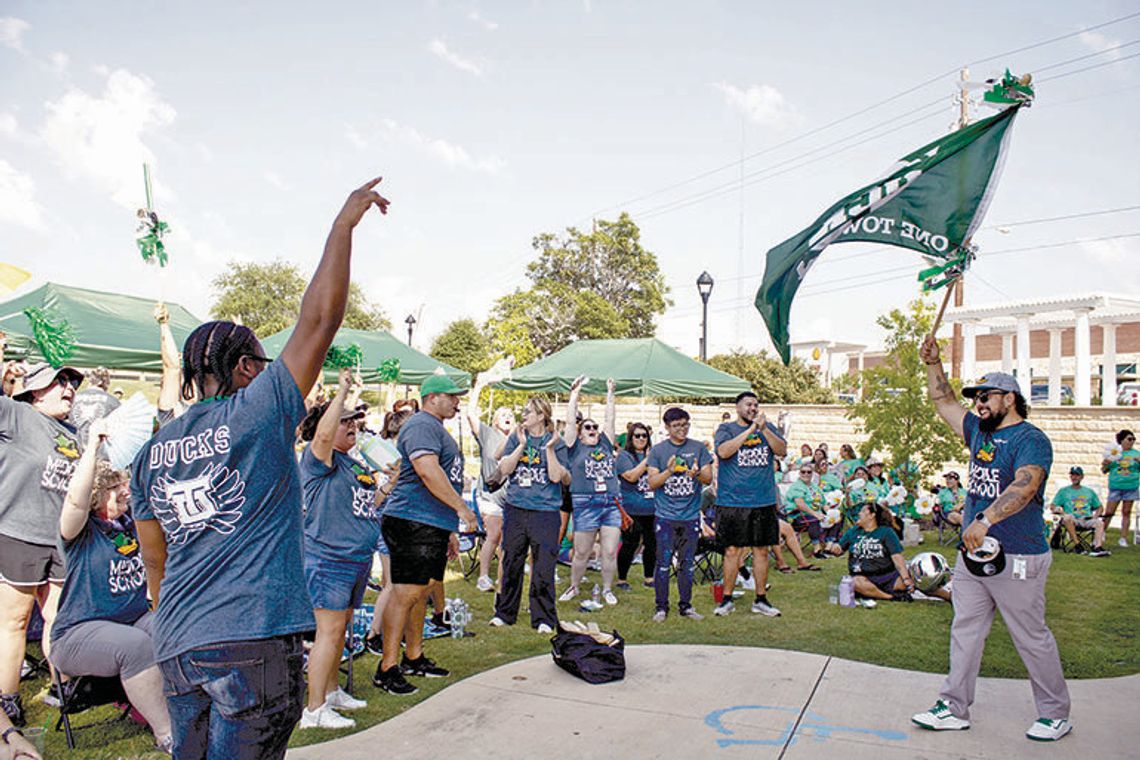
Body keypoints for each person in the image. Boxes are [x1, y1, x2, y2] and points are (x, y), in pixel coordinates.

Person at [132, 178, 391, 759]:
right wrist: (343, 226)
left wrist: (177, 619)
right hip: (250, 636)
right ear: (247, 368)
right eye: (265, 363)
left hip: (177, 644)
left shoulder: (151, 451)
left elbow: (156, 560)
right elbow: (318, 321)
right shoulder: (257, 409)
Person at [913, 340, 1072, 742]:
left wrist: (985, 518)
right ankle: (953, 707)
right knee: (964, 630)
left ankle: (1055, 714)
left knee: (1031, 636)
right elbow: (944, 401)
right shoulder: (979, 434)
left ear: (1010, 398)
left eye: (986, 396)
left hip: (1018, 557)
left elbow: (1025, 485)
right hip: (973, 558)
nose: (979, 403)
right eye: (977, 397)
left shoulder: (1030, 439)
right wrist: (933, 364)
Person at [52, 419, 172, 751]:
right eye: (113, 487)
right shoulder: (80, 533)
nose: (124, 490)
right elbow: (75, 502)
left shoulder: (130, 522)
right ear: (95, 496)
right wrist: (91, 446)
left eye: (124, 483)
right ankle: (168, 735)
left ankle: (187, 713)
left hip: (132, 619)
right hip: (77, 634)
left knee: (177, 627)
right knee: (135, 646)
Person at [372, 375, 476, 696]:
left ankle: (413, 655)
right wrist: (462, 509)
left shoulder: (434, 428)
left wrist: (447, 531)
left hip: (431, 523)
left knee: (423, 590)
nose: (457, 402)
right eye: (452, 396)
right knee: (405, 594)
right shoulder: (421, 425)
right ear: (433, 398)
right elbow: (427, 471)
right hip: (410, 520)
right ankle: (387, 667)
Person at [0, 362, 84, 727]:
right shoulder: (16, 415)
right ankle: (7, 698)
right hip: (18, 533)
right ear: (35, 391)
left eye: (72, 382)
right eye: (60, 382)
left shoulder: (75, 433)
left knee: (58, 618)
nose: (69, 388)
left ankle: (61, 686)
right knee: (14, 621)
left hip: (60, 541)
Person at [296, 369, 375, 728]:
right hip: (328, 558)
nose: (352, 426)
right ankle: (313, 711)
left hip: (355, 558)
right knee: (327, 633)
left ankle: (329, 692)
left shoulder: (351, 462)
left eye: (355, 422)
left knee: (340, 629)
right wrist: (341, 393)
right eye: (346, 422)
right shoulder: (318, 458)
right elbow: (324, 434)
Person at [490, 397, 569, 633]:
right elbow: (504, 469)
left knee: (544, 565)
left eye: (528, 412)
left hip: (545, 512)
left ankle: (543, 618)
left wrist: (549, 449)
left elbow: (557, 477)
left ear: (541, 416)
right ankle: (504, 613)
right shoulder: (516, 436)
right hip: (516, 508)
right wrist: (521, 446)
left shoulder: (557, 442)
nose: (523, 415)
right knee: (511, 561)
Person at [712, 391, 786, 618]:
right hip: (733, 500)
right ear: (738, 408)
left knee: (761, 550)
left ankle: (761, 598)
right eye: (748, 405)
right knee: (732, 551)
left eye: (755, 405)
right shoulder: (726, 429)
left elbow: (781, 450)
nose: (752, 408)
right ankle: (726, 599)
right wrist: (751, 430)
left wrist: (763, 429)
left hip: (763, 499)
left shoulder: (768, 427)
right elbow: (724, 452)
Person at [646, 407, 713, 622]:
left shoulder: (698, 448)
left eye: (685, 424)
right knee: (663, 564)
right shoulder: (658, 451)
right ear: (667, 427)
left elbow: (709, 479)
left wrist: (697, 473)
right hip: (665, 516)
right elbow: (652, 482)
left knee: (687, 564)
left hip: (690, 515)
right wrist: (669, 471)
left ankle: (686, 606)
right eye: (676, 426)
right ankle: (661, 607)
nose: (682, 429)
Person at [560, 377, 622, 605]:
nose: (593, 429)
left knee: (608, 551)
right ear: (580, 432)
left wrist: (610, 393)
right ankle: (574, 586)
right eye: (588, 427)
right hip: (584, 502)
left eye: (594, 427)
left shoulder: (605, 444)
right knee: (582, 551)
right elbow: (568, 423)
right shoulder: (573, 448)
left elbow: (610, 419)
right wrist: (574, 393)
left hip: (610, 502)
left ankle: (607, 589)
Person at [465, 373, 514, 593]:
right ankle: (483, 576)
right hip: (489, 496)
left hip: (512, 498)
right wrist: (479, 386)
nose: (508, 417)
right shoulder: (487, 434)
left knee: (507, 539)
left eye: (511, 414)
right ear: (495, 420)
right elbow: (470, 413)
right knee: (494, 533)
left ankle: (506, 578)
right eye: (503, 414)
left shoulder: (518, 440)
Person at [829, 503, 936, 602]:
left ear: (871, 515)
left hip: (888, 576)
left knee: (916, 579)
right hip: (863, 577)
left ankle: (948, 596)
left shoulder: (886, 532)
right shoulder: (853, 531)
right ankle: (891, 596)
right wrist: (834, 547)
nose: (859, 514)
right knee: (854, 583)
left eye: (862, 511)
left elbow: (897, 558)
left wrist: (906, 578)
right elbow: (839, 550)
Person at [615, 422, 656, 590]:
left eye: (644, 436)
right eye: (637, 435)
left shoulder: (655, 455)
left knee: (652, 544)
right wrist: (647, 460)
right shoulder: (624, 456)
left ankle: (649, 577)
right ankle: (622, 579)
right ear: (631, 438)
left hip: (653, 508)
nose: (641, 439)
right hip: (631, 509)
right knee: (630, 544)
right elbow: (631, 477)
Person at [1050, 466, 1110, 557]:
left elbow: (1100, 507)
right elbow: (1053, 506)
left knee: (1100, 523)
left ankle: (1097, 547)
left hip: (1086, 519)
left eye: (1077, 475)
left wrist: (1096, 516)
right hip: (1072, 519)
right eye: (1072, 475)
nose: (1074, 477)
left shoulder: (1089, 492)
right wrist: (1058, 510)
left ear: (1082, 477)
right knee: (1067, 518)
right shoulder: (1063, 491)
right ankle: (1078, 545)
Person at [782, 463, 835, 558]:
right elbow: (800, 504)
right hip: (797, 516)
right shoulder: (796, 486)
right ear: (799, 473)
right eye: (803, 472)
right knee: (813, 520)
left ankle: (829, 546)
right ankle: (817, 550)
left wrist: (829, 512)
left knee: (836, 518)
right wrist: (816, 514)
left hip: (816, 514)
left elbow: (823, 503)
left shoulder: (815, 487)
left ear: (812, 474)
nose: (806, 474)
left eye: (809, 472)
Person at [1100, 429, 1138, 547]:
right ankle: (1101, 533)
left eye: (1133, 439)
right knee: (1109, 512)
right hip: (1116, 486)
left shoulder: (1136, 454)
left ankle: (1123, 538)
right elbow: (1104, 470)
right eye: (1129, 439)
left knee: (1126, 512)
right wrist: (1105, 464)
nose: (1132, 442)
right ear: (1121, 440)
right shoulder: (1114, 453)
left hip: (1131, 486)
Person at [68, 366, 120, 445]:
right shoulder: (114, 402)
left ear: (90, 381)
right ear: (105, 383)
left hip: (73, 446)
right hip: (100, 450)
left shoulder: (72, 398)